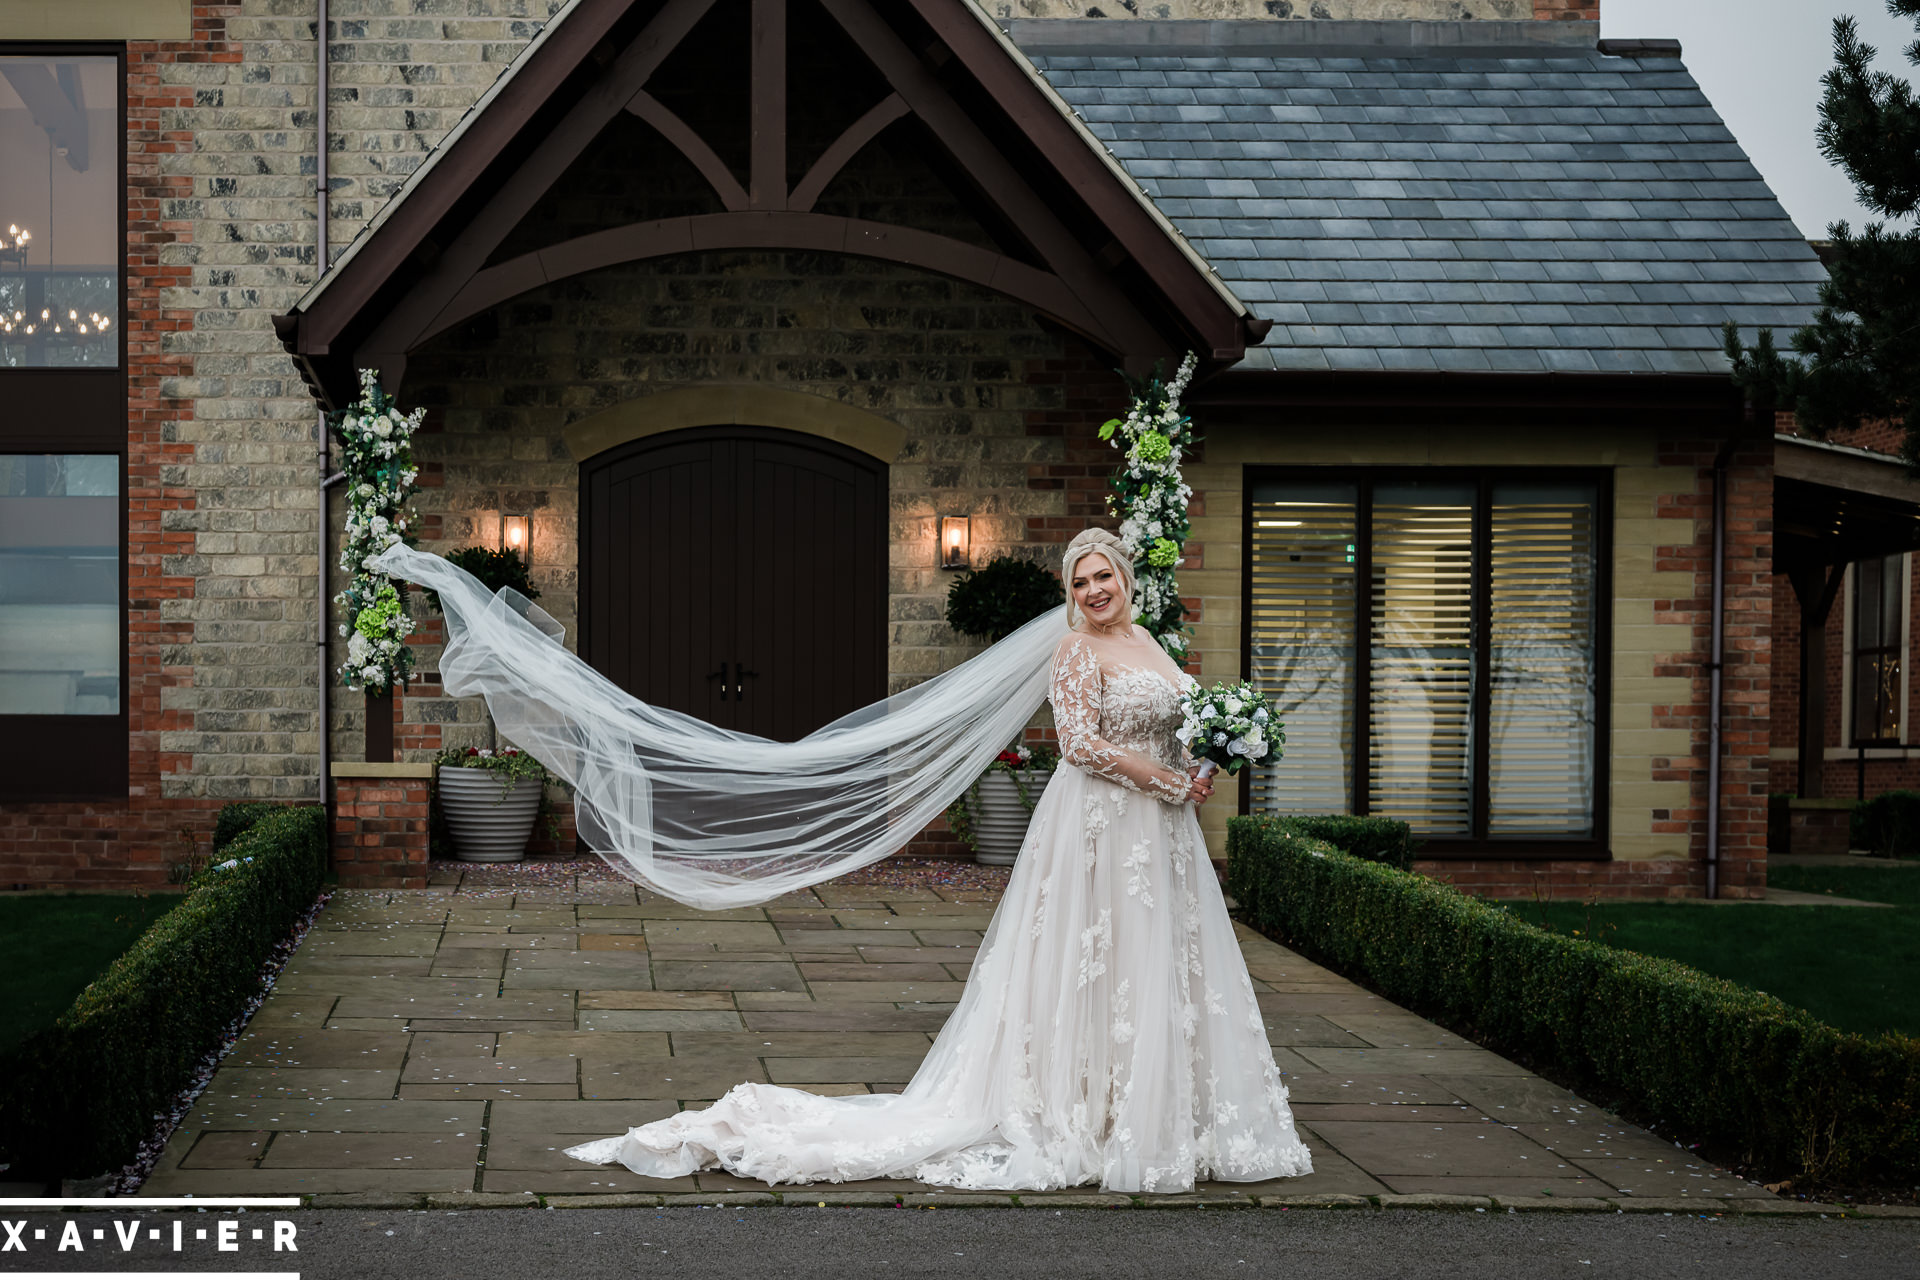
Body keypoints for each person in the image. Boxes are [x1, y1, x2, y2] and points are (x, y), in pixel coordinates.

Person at [563, 527, 1312, 1192]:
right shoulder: (1076, 649)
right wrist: (1165, 779)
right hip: (1103, 824)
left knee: (1153, 962)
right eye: (1079, 582)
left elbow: (1178, 721)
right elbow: (1080, 744)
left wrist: (1202, 763)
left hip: (1163, 829)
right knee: (1097, 956)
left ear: (1125, 575)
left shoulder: (1150, 643)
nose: (1092, 591)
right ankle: (1083, 1109)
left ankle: (1155, 1112)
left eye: (1102, 576)